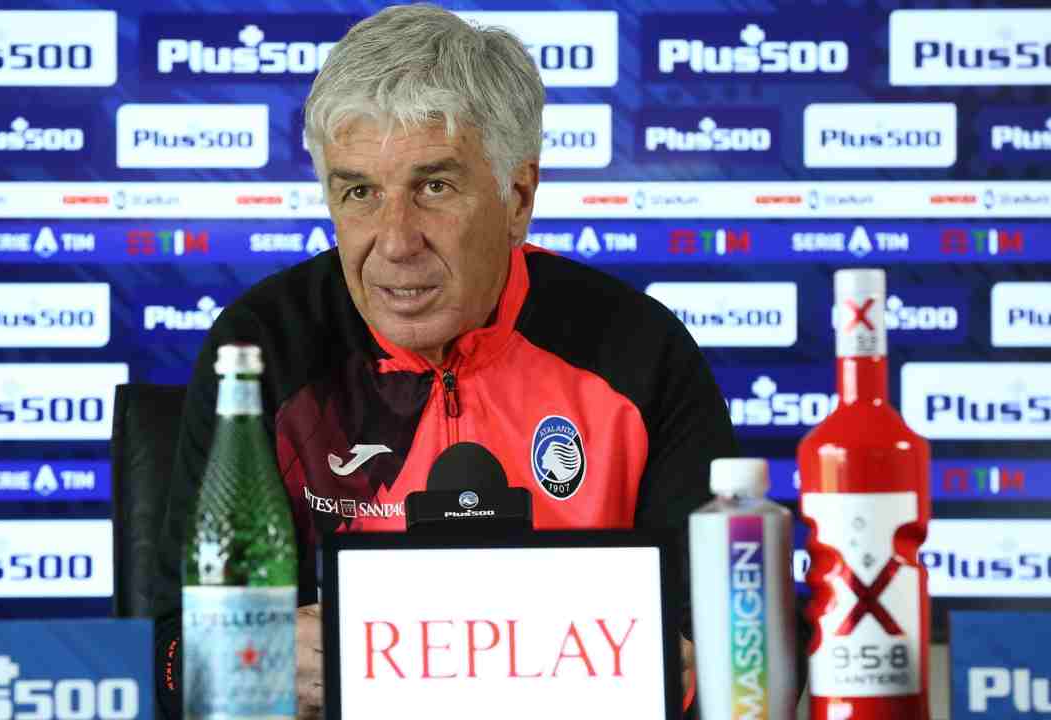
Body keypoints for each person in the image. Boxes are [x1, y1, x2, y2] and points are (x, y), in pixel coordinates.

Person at [153, 4, 747, 718]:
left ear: (517, 197)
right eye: (359, 193)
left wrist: (691, 664)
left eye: (434, 187)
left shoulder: (638, 353)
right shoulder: (261, 349)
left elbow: (727, 647)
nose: (396, 241)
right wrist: (243, 660)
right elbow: (170, 652)